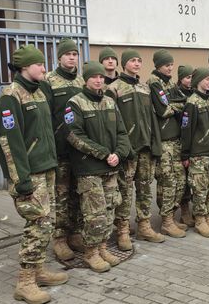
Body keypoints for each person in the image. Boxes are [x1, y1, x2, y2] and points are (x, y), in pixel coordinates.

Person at [0, 44, 68, 304]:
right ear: (25, 66)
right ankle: (25, 282)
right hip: (30, 174)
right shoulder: (11, 96)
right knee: (38, 224)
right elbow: (9, 141)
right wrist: (20, 179)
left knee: (47, 222)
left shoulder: (37, 94)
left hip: (46, 168)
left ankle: (38, 270)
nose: (44, 68)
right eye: (39, 64)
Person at [65, 61, 131, 272]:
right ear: (86, 79)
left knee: (110, 209)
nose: (99, 80)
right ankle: (91, 253)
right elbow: (74, 135)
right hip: (89, 169)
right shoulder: (75, 103)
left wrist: (119, 154)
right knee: (95, 215)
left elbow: (122, 132)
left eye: (101, 77)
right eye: (94, 76)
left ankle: (103, 248)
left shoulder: (110, 102)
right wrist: (104, 154)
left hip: (111, 167)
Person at [106, 48, 164, 250]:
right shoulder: (114, 89)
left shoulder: (144, 87)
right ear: (124, 64)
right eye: (132, 60)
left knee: (145, 188)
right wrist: (120, 149)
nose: (137, 64)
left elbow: (152, 118)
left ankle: (144, 225)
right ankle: (122, 230)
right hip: (127, 150)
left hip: (146, 147)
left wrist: (155, 143)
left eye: (139, 60)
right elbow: (111, 124)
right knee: (124, 191)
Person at [41, 38, 85, 260]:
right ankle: (59, 238)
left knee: (78, 193)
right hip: (60, 149)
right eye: (67, 54)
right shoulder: (49, 80)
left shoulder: (80, 80)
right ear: (59, 57)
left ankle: (75, 233)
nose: (71, 57)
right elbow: (45, 115)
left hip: (80, 148)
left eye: (75, 54)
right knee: (61, 194)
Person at [147, 49, 187, 238]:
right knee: (167, 181)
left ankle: (172, 216)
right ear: (158, 66)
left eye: (171, 65)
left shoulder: (170, 82)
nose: (170, 68)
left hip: (176, 140)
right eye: (166, 65)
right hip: (163, 143)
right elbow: (163, 110)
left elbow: (183, 101)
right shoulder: (154, 83)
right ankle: (166, 221)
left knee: (180, 180)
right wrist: (176, 105)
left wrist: (175, 105)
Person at [180, 68, 209, 237]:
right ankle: (199, 219)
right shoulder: (192, 103)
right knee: (200, 189)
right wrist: (186, 154)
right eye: (206, 79)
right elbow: (187, 130)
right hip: (198, 154)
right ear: (198, 81)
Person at [169, 65, 195, 227]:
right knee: (181, 180)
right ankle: (183, 211)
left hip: (193, 140)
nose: (190, 80)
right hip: (179, 140)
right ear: (180, 79)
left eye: (192, 77)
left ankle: (189, 210)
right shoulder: (175, 94)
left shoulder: (196, 93)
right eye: (187, 77)